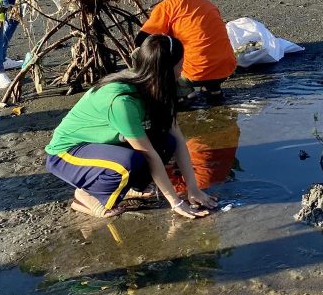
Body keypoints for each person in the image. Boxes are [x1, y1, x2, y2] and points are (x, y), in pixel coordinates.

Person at [45, 34, 217, 219]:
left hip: (106, 145)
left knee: (167, 142)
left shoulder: (160, 88)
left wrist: (193, 188)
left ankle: (130, 188)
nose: (182, 70)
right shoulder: (122, 101)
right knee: (128, 162)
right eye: (180, 64)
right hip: (67, 153)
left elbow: (178, 138)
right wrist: (175, 202)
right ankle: (85, 196)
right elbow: (148, 154)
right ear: (167, 70)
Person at [136, 0, 236, 106]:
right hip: (226, 67)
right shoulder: (209, 4)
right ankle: (214, 89)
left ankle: (184, 92)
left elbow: (141, 40)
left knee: (152, 50)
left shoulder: (166, 7)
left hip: (195, 71)